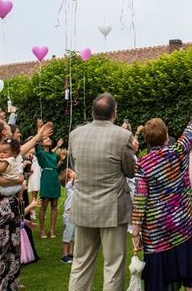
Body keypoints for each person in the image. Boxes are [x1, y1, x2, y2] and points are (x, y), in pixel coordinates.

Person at [132, 81, 192, 291]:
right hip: (183, 225)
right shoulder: (179, 150)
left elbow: (140, 201)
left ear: (147, 140)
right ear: (166, 135)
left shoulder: (143, 164)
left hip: (156, 232)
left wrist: (135, 232)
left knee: (160, 284)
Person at [68, 93, 136, 291]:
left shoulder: (75, 134)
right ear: (114, 113)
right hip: (112, 208)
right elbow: (130, 170)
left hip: (84, 205)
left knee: (81, 262)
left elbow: (75, 165)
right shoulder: (123, 135)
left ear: (93, 113)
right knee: (113, 264)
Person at [0, 117, 53, 290]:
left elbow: (20, 150)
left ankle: (0, 285)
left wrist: (37, 137)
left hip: (6, 205)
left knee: (5, 252)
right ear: (4, 132)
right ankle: (1, 286)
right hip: (2, 206)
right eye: (6, 124)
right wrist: (17, 180)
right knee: (4, 253)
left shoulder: (6, 150)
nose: (9, 125)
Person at [0, 138, 23, 217]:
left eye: (5, 152)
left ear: (13, 153)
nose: (1, 154)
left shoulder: (6, 161)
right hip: (18, 187)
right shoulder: (16, 160)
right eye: (0, 152)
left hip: (6, 187)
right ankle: (20, 197)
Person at [35, 135, 61, 238]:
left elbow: (55, 164)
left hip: (55, 178)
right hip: (46, 178)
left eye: (50, 138)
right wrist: (39, 128)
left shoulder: (53, 154)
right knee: (44, 206)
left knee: (54, 206)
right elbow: (36, 142)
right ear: (41, 143)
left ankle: (51, 230)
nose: (49, 139)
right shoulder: (40, 153)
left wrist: (58, 148)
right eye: (46, 139)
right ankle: (42, 230)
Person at [60, 168, 75, 264]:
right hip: (69, 214)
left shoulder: (75, 184)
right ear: (68, 178)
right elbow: (76, 179)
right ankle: (64, 255)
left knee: (73, 235)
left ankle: (71, 253)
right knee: (67, 235)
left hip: (75, 214)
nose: (74, 171)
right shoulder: (69, 184)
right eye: (71, 171)